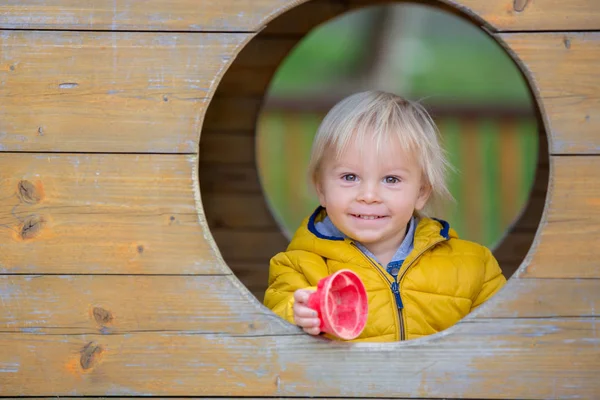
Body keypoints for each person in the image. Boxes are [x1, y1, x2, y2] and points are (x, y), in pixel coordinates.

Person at [263, 90, 506, 342]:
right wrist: (296, 312)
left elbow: (505, 340)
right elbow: (271, 324)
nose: (369, 195)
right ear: (321, 189)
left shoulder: (474, 267)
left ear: (421, 193)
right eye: (350, 177)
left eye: (391, 179)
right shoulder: (298, 267)